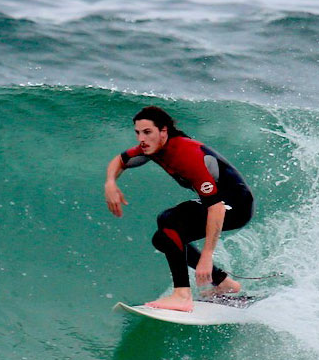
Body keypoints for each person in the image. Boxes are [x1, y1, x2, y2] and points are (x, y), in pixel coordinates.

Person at [104, 106, 254, 312]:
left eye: (147, 132)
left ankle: (182, 295)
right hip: (218, 203)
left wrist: (206, 256)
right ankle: (223, 283)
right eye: (138, 133)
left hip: (236, 205)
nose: (141, 138)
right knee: (163, 238)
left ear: (163, 132)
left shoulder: (186, 154)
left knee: (169, 219)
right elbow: (120, 160)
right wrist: (110, 183)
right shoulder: (153, 148)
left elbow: (216, 208)